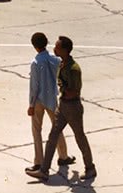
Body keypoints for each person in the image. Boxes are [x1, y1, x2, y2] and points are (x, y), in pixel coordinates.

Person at [26, 36, 96, 180]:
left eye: (57, 47)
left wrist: (62, 88)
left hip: (72, 107)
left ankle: (90, 168)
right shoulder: (60, 62)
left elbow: (75, 91)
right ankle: (44, 170)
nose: (54, 48)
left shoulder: (73, 68)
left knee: (79, 137)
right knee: (53, 136)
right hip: (61, 104)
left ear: (64, 50)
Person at [28, 31, 72, 173]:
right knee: (57, 127)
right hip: (52, 98)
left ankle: (39, 161)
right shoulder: (55, 60)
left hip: (39, 100)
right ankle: (63, 155)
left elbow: (34, 87)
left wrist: (31, 105)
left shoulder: (35, 63)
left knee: (36, 130)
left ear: (34, 46)